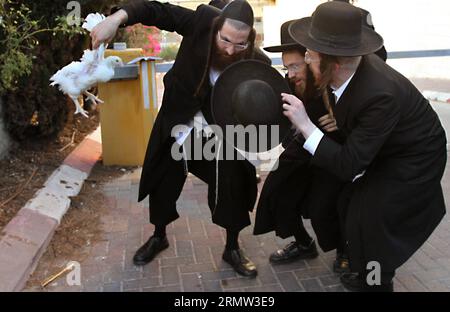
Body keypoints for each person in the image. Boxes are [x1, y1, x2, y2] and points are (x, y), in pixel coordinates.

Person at [91, 0, 270, 278]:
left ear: (249, 39)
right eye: (225, 40)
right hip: (179, 122)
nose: (230, 49)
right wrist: (116, 19)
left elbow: (268, 101)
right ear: (216, 28)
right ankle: (159, 235)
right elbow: (154, 10)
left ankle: (232, 247)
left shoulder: (255, 62)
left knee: (233, 181)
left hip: (219, 135)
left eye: (240, 44)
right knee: (163, 178)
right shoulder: (199, 23)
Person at [283, 1, 447, 291]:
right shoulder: (349, 70)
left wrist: (305, 125)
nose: (306, 61)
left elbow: (349, 165)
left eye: (310, 55)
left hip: (414, 160)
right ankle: (363, 271)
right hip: (386, 150)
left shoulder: (379, 94)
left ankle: (375, 282)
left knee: (373, 225)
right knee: (350, 207)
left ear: (332, 64)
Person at [254, 20, 349, 273]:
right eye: (287, 67)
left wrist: (342, 121)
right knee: (277, 195)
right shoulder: (291, 83)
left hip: (330, 156)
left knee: (324, 207)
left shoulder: (333, 83)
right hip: (299, 152)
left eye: (295, 66)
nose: (291, 73)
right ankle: (304, 243)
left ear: (310, 59)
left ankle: (345, 248)